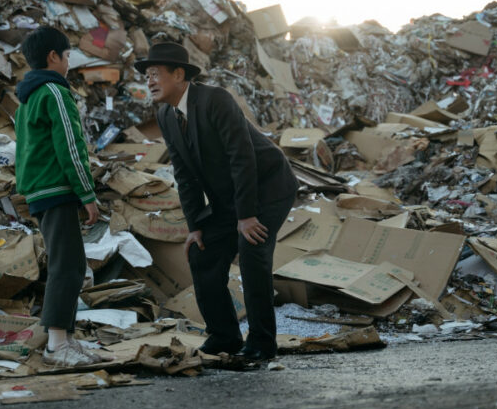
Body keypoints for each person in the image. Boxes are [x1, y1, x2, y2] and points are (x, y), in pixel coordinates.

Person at [135, 40, 299, 360]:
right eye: (146, 76)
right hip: (230, 198)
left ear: (179, 74)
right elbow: (184, 174)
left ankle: (262, 343)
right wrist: (196, 225)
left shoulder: (215, 100)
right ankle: (224, 337)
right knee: (202, 252)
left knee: (252, 253)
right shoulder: (166, 116)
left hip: (268, 186)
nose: (149, 81)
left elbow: (243, 157)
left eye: (155, 74)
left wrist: (247, 215)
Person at [15, 25, 104, 367]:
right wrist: (87, 193)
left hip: (39, 187)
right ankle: (56, 343)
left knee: (69, 262)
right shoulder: (53, 91)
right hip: (56, 188)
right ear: (53, 56)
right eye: (67, 56)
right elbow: (70, 145)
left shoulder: (29, 95)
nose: (69, 63)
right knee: (66, 264)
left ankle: (64, 336)